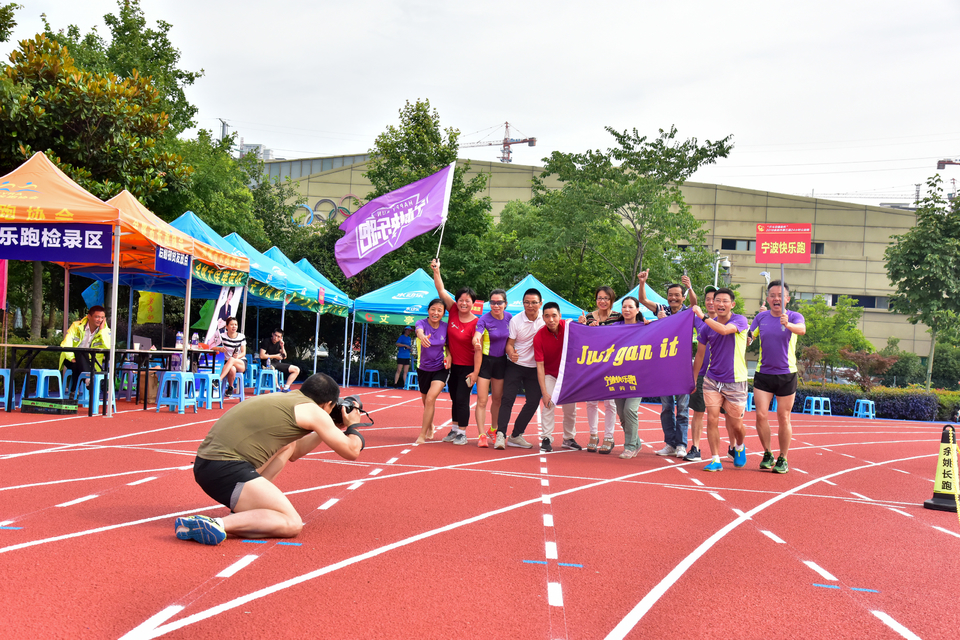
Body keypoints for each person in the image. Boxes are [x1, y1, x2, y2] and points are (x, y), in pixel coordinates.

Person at [174, 373, 364, 545]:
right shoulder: (315, 411)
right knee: (292, 523)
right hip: (226, 469)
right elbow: (352, 450)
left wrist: (328, 427)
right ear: (328, 405)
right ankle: (216, 523)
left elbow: (295, 451)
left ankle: (248, 511)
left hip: (207, 466)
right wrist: (354, 425)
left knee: (287, 446)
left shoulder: (286, 399)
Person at [638, 271, 697, 459]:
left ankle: (681, 444)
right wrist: (642, 282)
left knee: (683, 407)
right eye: (670, 295)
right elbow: (643, 300)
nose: (673, 298)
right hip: (663, 367)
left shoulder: (688, 312)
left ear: (682, 297)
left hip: (682, 367)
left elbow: (696, 305)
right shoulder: (662, 309)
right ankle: (670, 443)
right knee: (666, 407)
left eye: (677, 295)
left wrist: (690, 287)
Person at [747, 280, 805, 474]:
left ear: (787, 299)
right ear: (767, 298)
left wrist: (787, 324)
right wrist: (745, 337)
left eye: (780, 295)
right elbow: (748, 338)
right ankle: (767, 453)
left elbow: (802, 330)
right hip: (763, 373)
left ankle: (783, 457)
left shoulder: (795, 316)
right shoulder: (761, 318)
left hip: (786, 374)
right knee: (761, 415)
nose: (776, 298)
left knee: (783, 417)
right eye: (772, 295)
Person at [691, 288, 749, 472]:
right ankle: (715, 458)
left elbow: (724, 331)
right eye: (717, 301)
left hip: (736, 380)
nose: (721, 304)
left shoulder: (739, 320)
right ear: (713, 303)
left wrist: (702, 317)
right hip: (712, 379)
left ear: (732, 304)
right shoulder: (707, 326)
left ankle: (739, 446)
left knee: (736, 424)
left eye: (725, 301)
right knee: (712, 419)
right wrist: (693, 379)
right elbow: (699, 355)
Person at [431, 259, 481, 445]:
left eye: (467, 301)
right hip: (452, 365)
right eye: (461, 300)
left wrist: (475, 372)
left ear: (473, 303)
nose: (463, 303)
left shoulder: (478, 323)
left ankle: (462, 433)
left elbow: (478, 351)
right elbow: (441, 291)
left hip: (468, 367)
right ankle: (453, 429)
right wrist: (437, 270)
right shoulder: (452, 310)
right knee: (454, 398)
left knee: (462, 398)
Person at [496, 288, 545, 450]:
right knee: (507, 399)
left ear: (540, 303)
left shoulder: (545, 320)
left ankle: (516, 435)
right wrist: (511, 353)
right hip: (515, 366)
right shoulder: (516, 320)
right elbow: (509, 344)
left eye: (533, 303)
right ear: (523, 303)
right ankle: (501, 435)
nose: (530, 306)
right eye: (527, 302)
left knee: (533, 402)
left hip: (534, 368)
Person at [577, 286, 622, 453]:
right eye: (599, 298)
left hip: (612, 364)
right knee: (591, 401)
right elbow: (582, 339)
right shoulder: (587, 317)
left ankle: (609, 437)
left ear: (611, 300)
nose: (602, 301)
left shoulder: (619, 316)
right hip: (593, 364)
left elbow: (629, 332)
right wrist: (584, 327)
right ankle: (593, 435)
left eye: (606, 298)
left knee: (610, 403)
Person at [534, 302, 578, 453]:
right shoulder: (539, 337)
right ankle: (546, 438)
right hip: (550, 374)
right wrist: (544, 392)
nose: (551, 319)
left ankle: (569, 438)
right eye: (547, 316)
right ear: (543, 317)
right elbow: (540, 366)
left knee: (571, 410)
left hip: (568, 375)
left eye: (554, 315)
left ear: (560, 316)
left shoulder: (570, 328)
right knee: (548, 404)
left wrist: (587, 324)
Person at [473, 289, 512, 447]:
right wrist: (476, 341)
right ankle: (481, 434)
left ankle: (493, 430)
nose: (496, 305)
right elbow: (477, 334)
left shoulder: (509, 317)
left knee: (497, 399)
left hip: (501, 362)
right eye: (493, 302)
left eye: (499, 302)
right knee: (482, 400)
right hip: (485, 363)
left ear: (505, 304)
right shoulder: (484, 319)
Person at [685, 286, 717, 462]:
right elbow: (692, 305)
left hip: (724, 376)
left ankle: (734, 446)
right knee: (698, 411)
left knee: (728, 415)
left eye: (715, 298)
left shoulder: (728, 321)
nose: (711, 302)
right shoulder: (699, 320)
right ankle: (695, 447)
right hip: (702, 374)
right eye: (708, 299)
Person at [414, 298, 451, 445]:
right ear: (428, 311)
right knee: (426, 401)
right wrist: (422, 337)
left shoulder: (445, 327)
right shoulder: (421, 323)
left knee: (430, 399)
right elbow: (419, 331)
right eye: (433, 309)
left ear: (443, 313)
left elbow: (448, 345)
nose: (436, 313)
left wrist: (449, 355)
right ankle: (430, 426)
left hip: (440, 368)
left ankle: (422, 435)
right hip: (423, 368)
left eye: (439, 310)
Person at [614, 297, 645, 459]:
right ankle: (637, 442)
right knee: (622, 414)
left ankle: (630, 446)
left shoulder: (644, 327)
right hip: (617, 378)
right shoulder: (614, 327)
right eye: (624, 307)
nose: (627, 310)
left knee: (630, 410)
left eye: (630, 307)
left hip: (637, 377)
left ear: (637, 310)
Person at [60, 305, 110, 396]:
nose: (100, 320)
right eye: (97, 317)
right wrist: (71, 358)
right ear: (89, 316)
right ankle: (88, 380)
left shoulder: (105, 331)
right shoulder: (76, 326)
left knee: (77, 366)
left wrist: (102, 331)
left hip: (92, 362)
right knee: (80, 352)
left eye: (102, 317)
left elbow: (108, 347)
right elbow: (66, 343)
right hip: (71, 359)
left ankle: (73, 392)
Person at [218, 317, 247, 398]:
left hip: (240, 362)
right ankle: (230, 387)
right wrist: (219, 349)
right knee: (232, 368)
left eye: (236, 325)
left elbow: (244, 352)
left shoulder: (241, 336)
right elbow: (211, 346)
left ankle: (219, 379)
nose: (234, 326)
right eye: (231, 325)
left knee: (232, 359)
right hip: (228, 364)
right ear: (226, 326)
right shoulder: (222, 336)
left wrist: (237, 357)